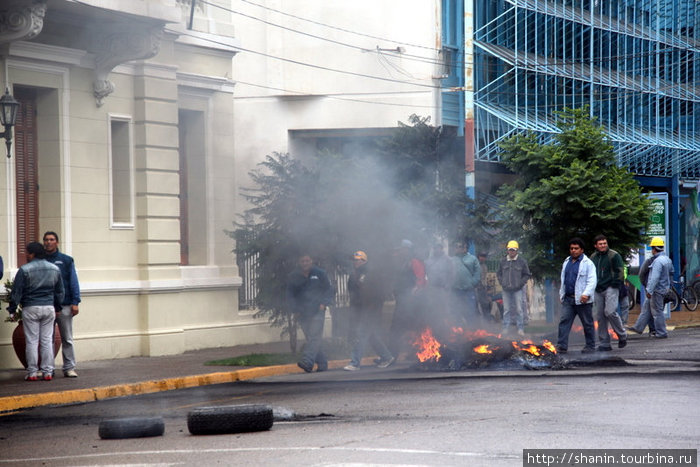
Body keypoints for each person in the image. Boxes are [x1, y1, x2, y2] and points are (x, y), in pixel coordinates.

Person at [7, 242, 65, 381]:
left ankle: (32, 372)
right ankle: (48, 372)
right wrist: (58, 307)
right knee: (46, 341)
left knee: (32, 341)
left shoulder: (25, 269)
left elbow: (17, 291)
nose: (26, 255)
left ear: (32, 254)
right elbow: (60, 292)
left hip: (30, 307)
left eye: (27, 252)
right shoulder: (54, 269)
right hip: (49, 307)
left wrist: (12, 309)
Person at [343, 251, 395, 371]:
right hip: (360, 310)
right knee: (371, 336)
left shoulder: (372, 274)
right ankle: (387, 357)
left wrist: (373, 307)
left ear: (364, 261)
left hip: (370, 310)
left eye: (358, 259)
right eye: (354, 260)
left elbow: (380, 293)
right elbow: (353, 295)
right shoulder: (353, 276)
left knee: (362, 334)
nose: (355, 262)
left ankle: (355, 363)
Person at [286, 254, 335, 373]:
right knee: (312, 338)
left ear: (311, 261)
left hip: (318, 311)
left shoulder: (320, 273)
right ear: (299, 262)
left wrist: (324, 303)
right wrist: (295, 310)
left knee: (314, 337)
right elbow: (290, 295)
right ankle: (322, 363)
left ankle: (307, 362)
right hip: (303, 313)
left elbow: (329, 289)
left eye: (307, 260)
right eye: (302, 261)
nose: (305, 263)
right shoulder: (294, 276)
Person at [43, 231, 81, 378]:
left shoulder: (66, 260)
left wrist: (75, 302)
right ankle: (48, 368)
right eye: (46, 240)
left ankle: (69, 367)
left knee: (67, 338)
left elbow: (73, 281)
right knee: (47, 339)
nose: (48, 242)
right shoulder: (41, 260)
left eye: (51, 239)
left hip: (65, 305)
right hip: (47, 305)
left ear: (57, 242)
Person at [556, 237, 597, 354]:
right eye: (571, 248)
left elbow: (592, 280)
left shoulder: (588, 263)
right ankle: (562, 346)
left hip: (582, 300)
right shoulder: (566, 262)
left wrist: (586, 294)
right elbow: (564, 280)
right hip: (568, 299)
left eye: (576, 248)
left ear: (582, 250)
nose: (573, 250)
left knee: (587, 323)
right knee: (564, 322)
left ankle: (590, 346)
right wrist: (561, 294)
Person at [388, 239, 427, 359]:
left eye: (405, 249)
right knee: (397, 328)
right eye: (402, 249)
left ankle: (417, 353)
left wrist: (415, 290)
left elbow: (421, 279)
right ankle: (392, 355)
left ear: (409, 250)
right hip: (402, 301)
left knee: (412, 327)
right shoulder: (399, 262)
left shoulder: (414, 262)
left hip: (411, 302)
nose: (402, 251)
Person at [590, 235, 627, 351]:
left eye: (604, 243)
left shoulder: (614, 255)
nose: (603, 245)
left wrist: (615, 284)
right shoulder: (593, 257)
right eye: (600, 244)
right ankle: (605, 343)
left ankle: (622, 335)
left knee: (610, 312)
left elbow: (620, 271)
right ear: (595, 245)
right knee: (600, 316)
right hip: (597, 289)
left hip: (611, 287)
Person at [496, 240, 531, 336]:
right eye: (510, 250)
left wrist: (520, 284)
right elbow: (498, 273)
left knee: (519, 310)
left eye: (513, 250)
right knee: (506, 310)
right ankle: (505, 328)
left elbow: (527, 274)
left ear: (517, 250)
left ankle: (520, 329)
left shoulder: (522, 262)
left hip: (517, 290)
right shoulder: (503, 261)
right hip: (506, 290)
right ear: (507, 250)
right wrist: (502, 282)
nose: (511, 252)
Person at [644, 237, 674, 339]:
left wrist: (649, 291)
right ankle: (658, 330)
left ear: (654, 249)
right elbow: (671, 273)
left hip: (657, 290)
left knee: (657, 312)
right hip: (665, 289)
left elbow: (654, 278)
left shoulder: (657, 261)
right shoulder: (667, 259)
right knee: (658, 311)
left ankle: (661, 332)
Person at [450, 240, 480, 328]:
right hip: (456, 290)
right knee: (456, 311)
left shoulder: (473, 259)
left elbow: (477, 273)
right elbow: (448, 272)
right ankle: (458, 330)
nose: (455, 249)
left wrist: (472, 283)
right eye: (455, 247)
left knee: (470, 310)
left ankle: (470, 330)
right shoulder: (452, 259)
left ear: (464, 249)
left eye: (458, 247)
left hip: (468, 290)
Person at [627, 253, 658, 336]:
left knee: (651, 308)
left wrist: (646, 285)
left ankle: (647, 328)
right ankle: (650, 329)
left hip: (654, 289)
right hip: (654, 288)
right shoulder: (664, 261)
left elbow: (642, 274)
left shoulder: (652, 261)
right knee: (649, 308)